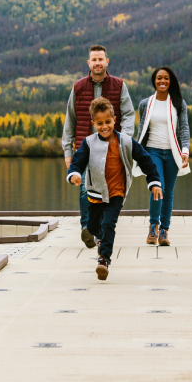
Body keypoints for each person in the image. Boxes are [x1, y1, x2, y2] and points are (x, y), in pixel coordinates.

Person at [67, 97, 163, 280]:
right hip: (95, 193)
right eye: (100, 123)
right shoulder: (88, 142)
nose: (105, 127)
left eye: (108, 122)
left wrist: (154, 182)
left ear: (114, 120)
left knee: (109, 223)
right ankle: (100, 239)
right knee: (94, 227)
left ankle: (104, 260)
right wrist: (74, 174)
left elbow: (145, 159)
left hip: (117, 193)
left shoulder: (126, 141)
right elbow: (78, 161)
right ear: (93, 123)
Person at [62, 45, 134, 248]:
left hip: (112, 148)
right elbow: (70, 121)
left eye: (101, 59)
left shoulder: (120, 86)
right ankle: (87, 228)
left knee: (108, 191)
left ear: (107, 61)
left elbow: (128, 114)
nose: (97, 63)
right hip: (85, 149)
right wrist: (68, 151)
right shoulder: (78, 87)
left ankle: (99, 230)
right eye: (94, 60)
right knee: (86, 189)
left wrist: (125, 139)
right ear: (89, 63)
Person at [134, 66, 190, 246]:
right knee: (158, 187)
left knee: (169, 192)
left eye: (166, 78)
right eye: (159, 78)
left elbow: (184, 128)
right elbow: (142, 129)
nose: (162, 81)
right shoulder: (145, 103)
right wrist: (136, 151)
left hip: (173, 152)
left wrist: (185, 150)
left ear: (170, 81)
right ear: (154, 81)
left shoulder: (179, 103)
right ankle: (153, 227)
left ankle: (164, 231)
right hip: (153, 151)